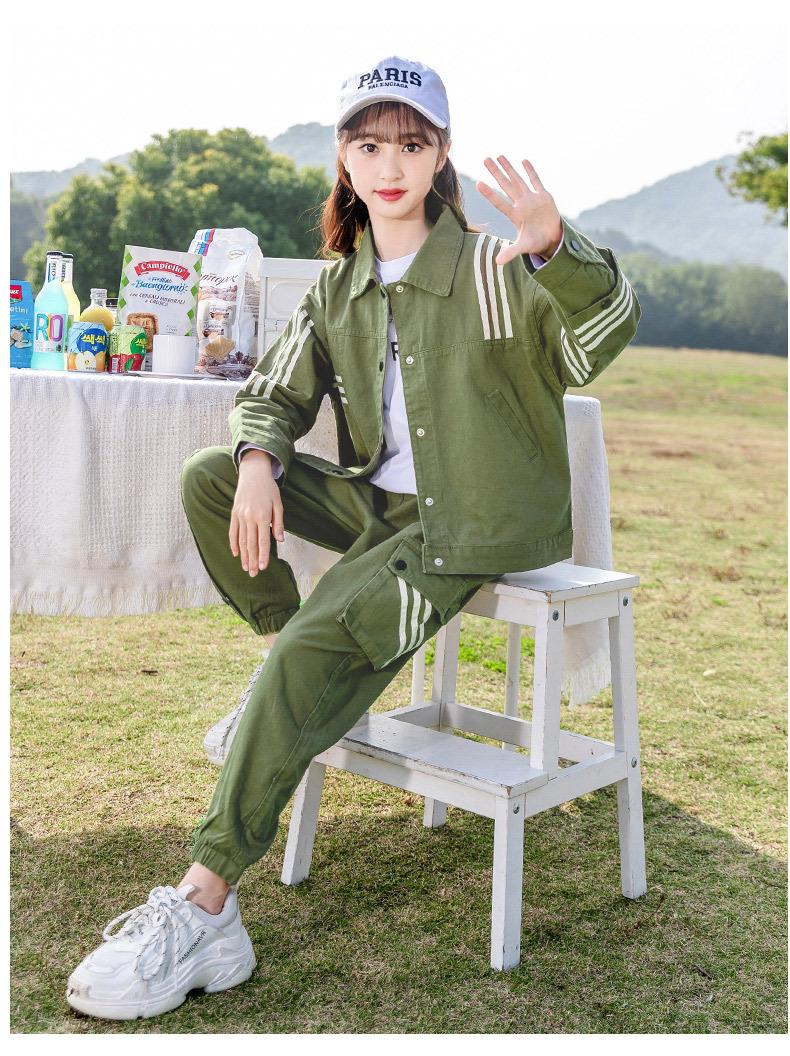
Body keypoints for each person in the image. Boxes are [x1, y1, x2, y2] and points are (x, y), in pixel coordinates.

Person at [66, 55, 641, 1020]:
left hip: (470, 528)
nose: (390, 165)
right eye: (370, 146)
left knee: (317, 645)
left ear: (441, 156)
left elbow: (600, 341)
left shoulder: (496, 267)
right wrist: (260, 459)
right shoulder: (341, 287)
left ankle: (207, 905)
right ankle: (281, 669)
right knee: (213, 475)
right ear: (344, 157)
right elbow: (273, 393)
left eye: (411, 145)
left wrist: (557, 252)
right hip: (380, 509)